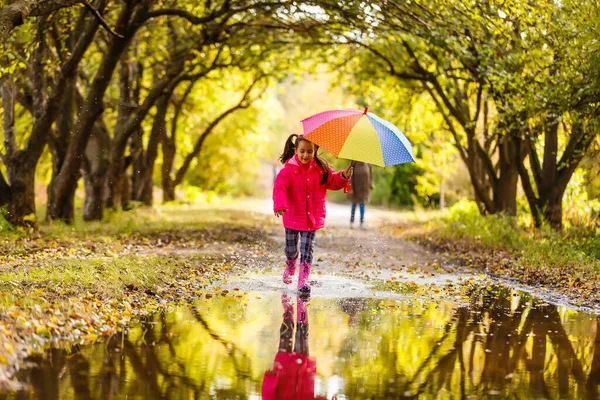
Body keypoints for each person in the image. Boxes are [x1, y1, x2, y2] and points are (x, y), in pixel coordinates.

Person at [273, 134, 353, 292]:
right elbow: (279, 188)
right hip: (292, 216)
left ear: (315, 150)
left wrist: (343, 176)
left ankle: (303, 281)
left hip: (312, 219)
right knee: (291, 250)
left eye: (309, 151)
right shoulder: (289, 170)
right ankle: (290, 265)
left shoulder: (321, 169)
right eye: (302, 151)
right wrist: (280, 205)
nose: (305, 155)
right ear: (296, 150)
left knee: (307, 250)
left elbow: (332, 182)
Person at [262, 294, 326, 400]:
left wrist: (270, 379)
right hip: (304, 370)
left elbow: (268, 396)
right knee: (302, 335)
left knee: (286, 334)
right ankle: (302, 304)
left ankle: (288, 311)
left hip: (283, 368)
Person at [348, 161, 373, 230]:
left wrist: (371, 184)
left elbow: (371, 175)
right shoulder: (354, 163)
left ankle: (362, 222)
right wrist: (351, 188)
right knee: (354, 206)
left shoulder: (368, 164)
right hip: (355, 189)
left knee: (362, 206)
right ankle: (351, 221)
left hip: (364, 189)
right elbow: (350, 176)